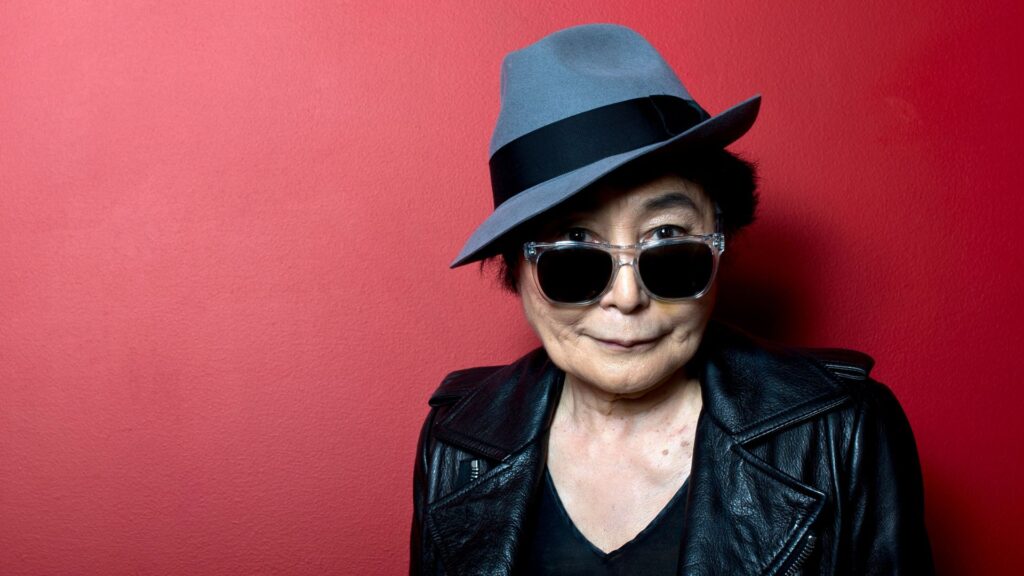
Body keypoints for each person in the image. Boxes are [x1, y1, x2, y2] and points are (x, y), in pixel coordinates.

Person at [411, 24, 933, 575]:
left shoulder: (842, 431)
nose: (627, 298)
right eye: (574, 251)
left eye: (667, 240)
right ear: (517, 268)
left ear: (721, 245)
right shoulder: (458, 440)